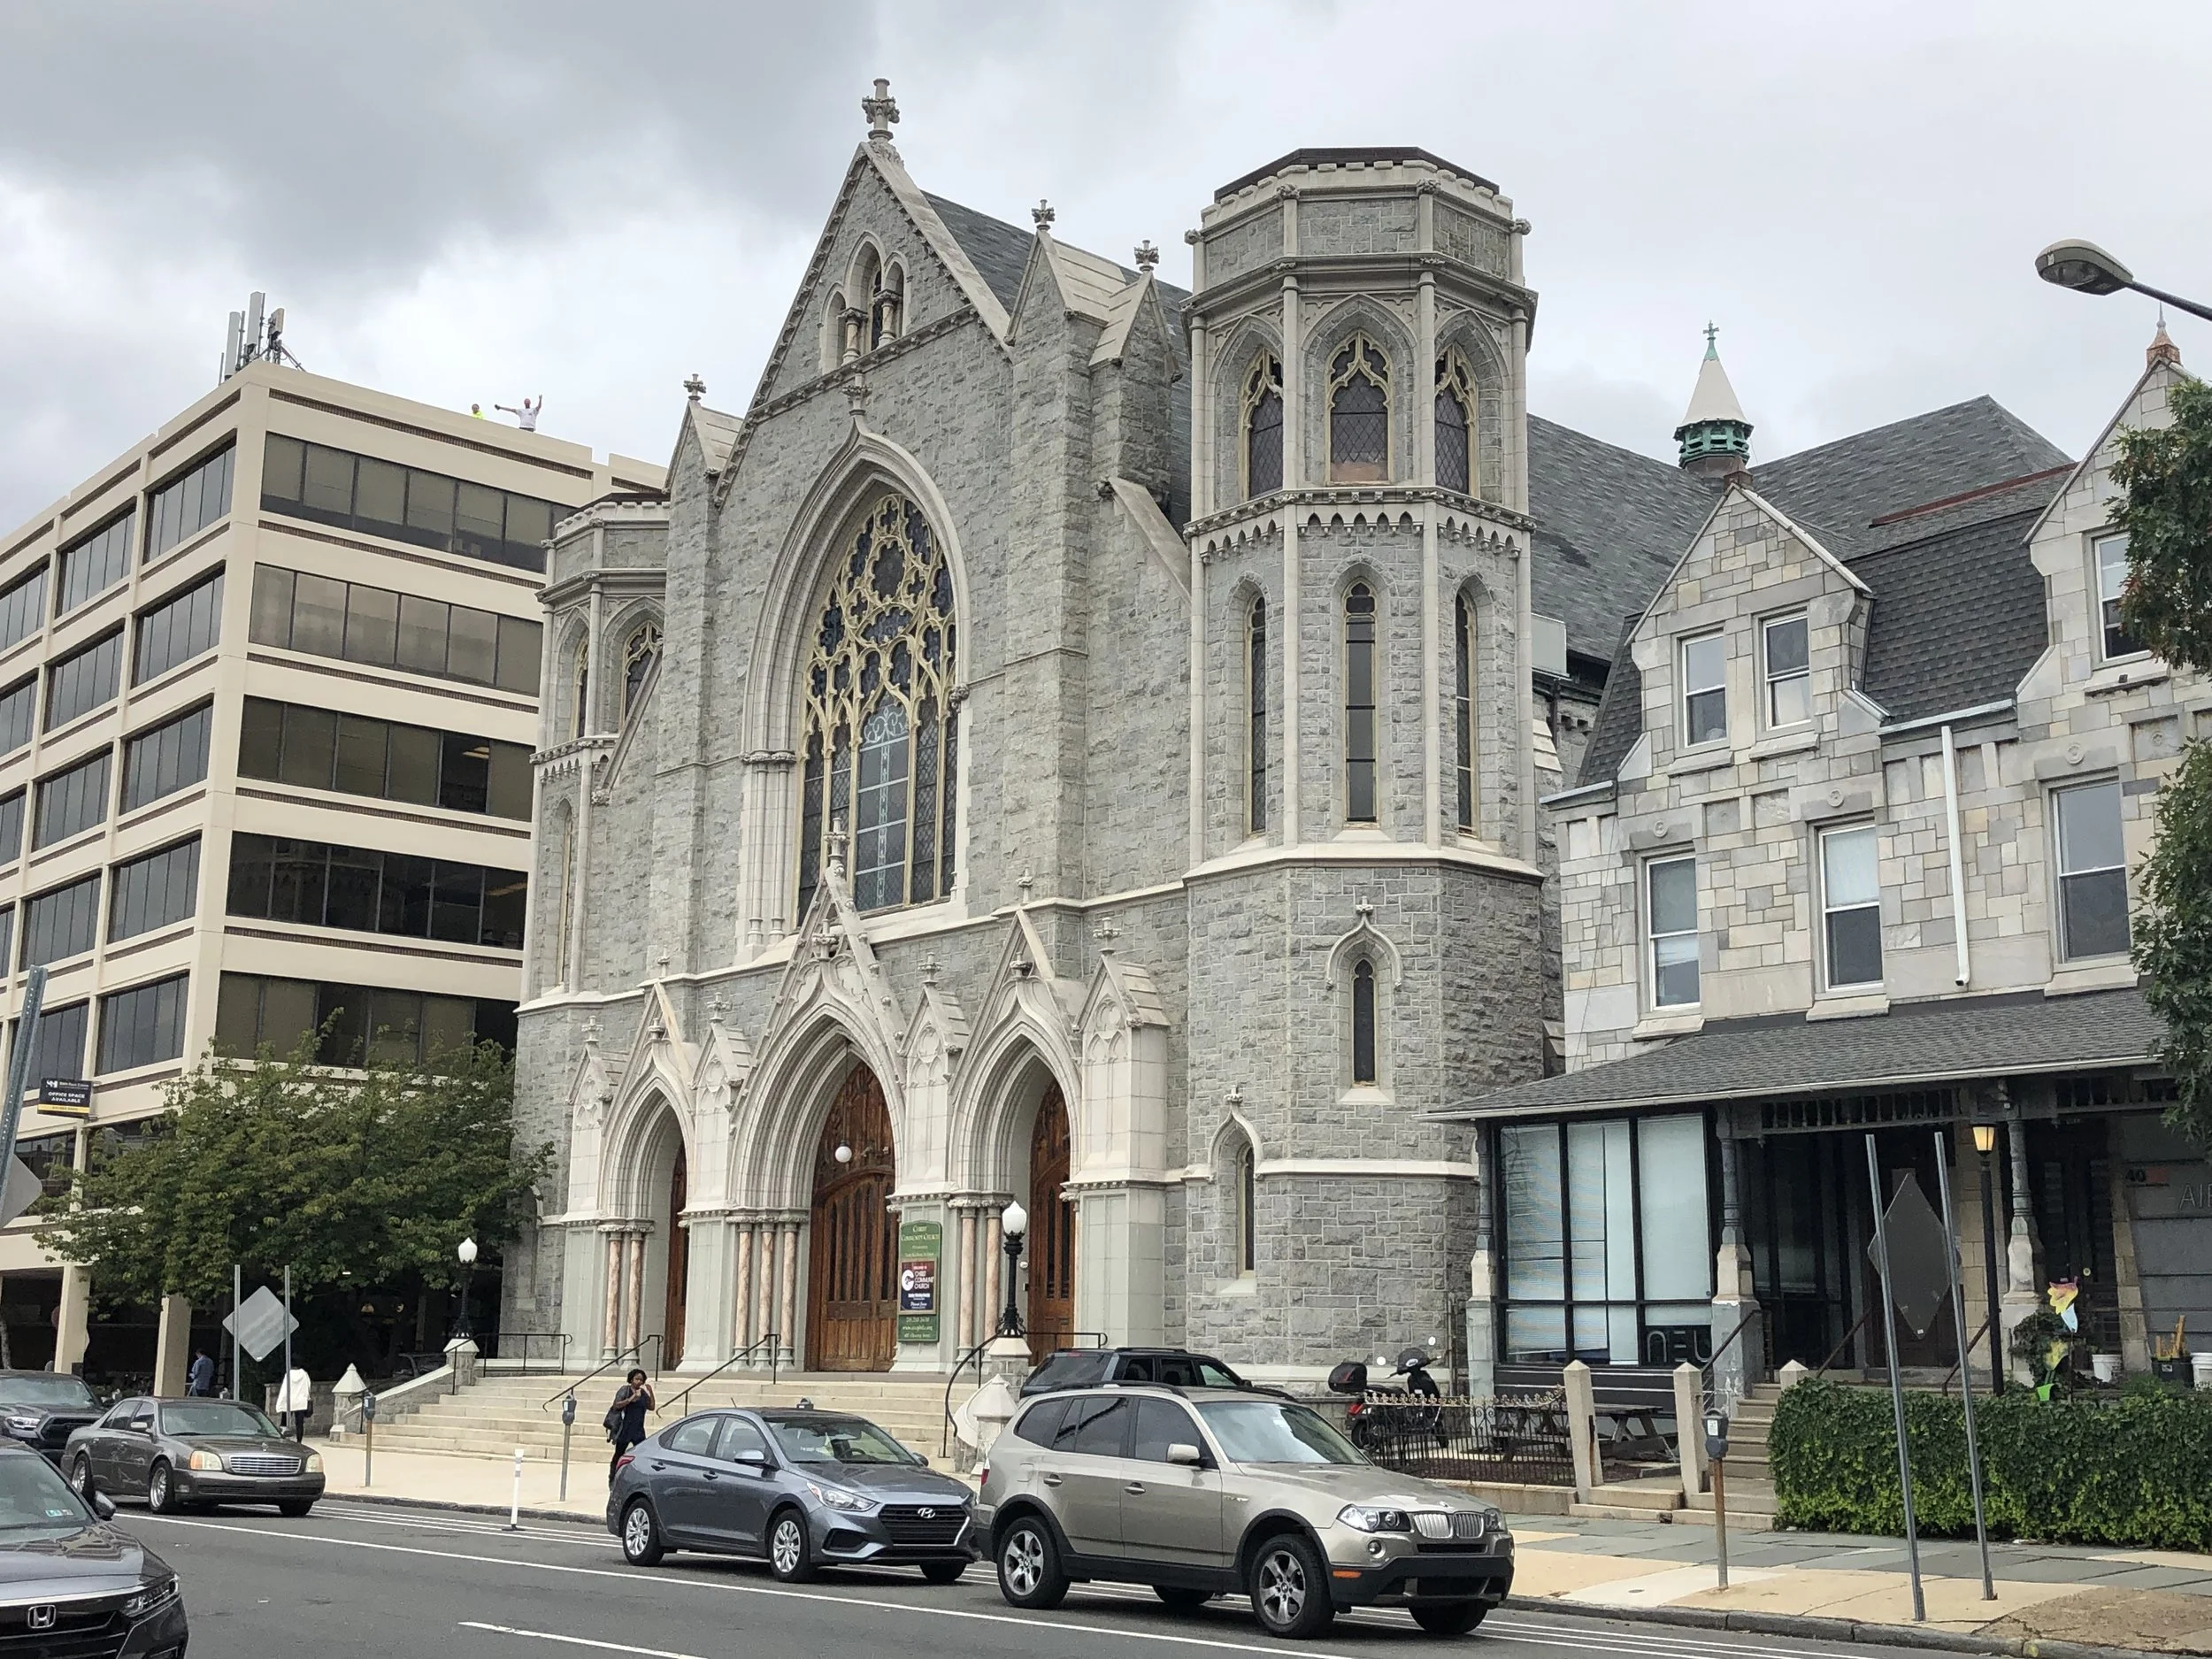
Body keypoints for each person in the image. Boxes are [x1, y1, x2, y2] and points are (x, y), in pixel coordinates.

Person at [606, 1368, 653, 1482]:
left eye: (641, 1380)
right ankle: (613, 1476)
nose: (639, 1382)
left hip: (638, 1429)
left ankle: (639, 1476)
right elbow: (616, 1405)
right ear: (631, 1379)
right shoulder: (625, 1390)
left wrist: (651, 1392)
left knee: (642, 1454)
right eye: (637, 1379)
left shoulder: (643, 1393)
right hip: (625, 1428)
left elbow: (651, 1407)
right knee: (619, 1453)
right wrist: (631, 1399)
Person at [273, 1363, 314, 1440]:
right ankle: (299, 1441)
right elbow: (308, 1386)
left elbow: (284, 1389)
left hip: (289, 1402)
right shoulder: (304, 1374)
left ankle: (283, 1439)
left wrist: (280, 1403)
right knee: (299, 1424)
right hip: (301, 1402)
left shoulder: (288, 1375)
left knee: (284, 1423)